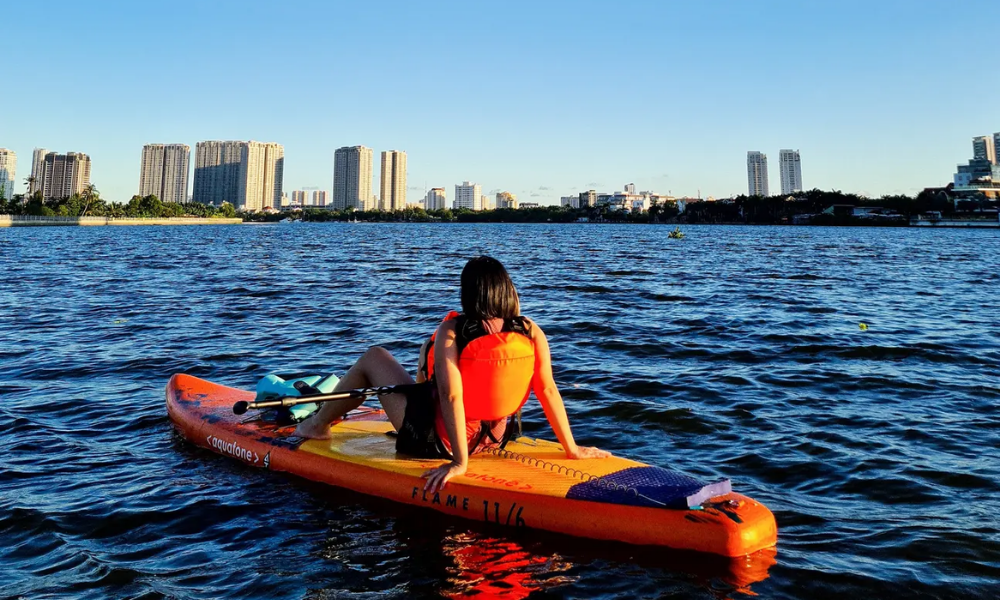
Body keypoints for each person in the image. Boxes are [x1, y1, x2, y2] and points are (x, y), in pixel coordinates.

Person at [295, 256, 610, 493]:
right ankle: (325, 418)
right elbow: (548, 391)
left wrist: (460, 463)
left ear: (468, 295)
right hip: (496, 439)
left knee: (375, 357)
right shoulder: (530, 330)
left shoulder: (451, 330)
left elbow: (452, 396)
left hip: (438, 444)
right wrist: (572, 448)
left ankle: (317, 424)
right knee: (421, 366)